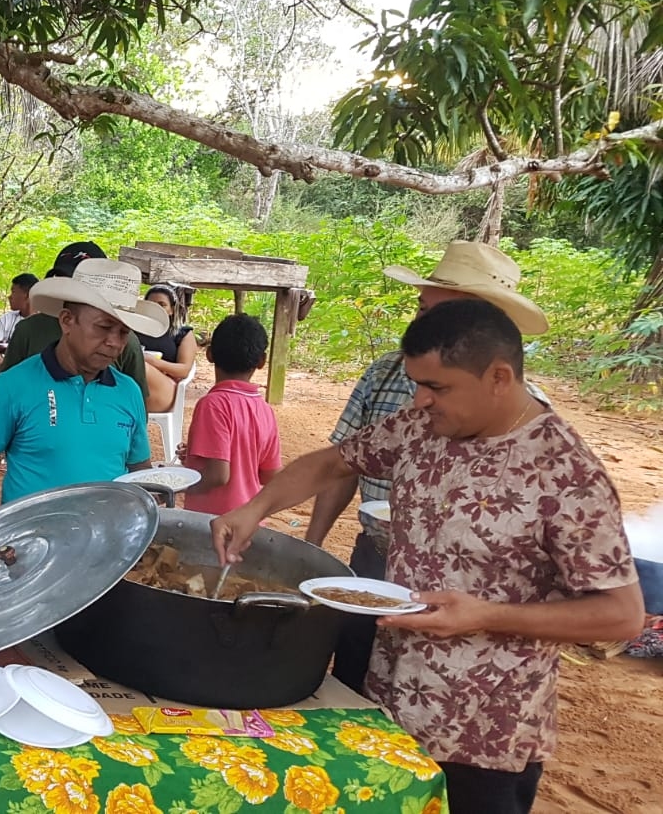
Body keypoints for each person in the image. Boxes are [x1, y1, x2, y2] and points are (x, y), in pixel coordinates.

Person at [212, 300, 643, 814]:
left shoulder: (566, 472)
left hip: (483, 734)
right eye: (417, 383)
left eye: (437, 387)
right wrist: (255, 507)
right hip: (388, 701)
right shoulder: (420, 427)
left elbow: (621, 613)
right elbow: (333, 462)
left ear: (499, 377)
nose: (420, 400)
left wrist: (487, 615)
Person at [306, 240, 551, 692]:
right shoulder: (382, 374)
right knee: (354, 681)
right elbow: (340, 464)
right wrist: (314, 548)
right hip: (375, 560)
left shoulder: (528, 424)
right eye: (422, 311)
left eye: (440, 315)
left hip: (467, 593)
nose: (421, 324)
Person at [0, 259, 163, 517]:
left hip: (111, 547)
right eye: (104, 327)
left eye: (123, 332)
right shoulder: (15, 385)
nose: (114, 342)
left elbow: (138, 469)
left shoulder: (128, 391)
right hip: (33, 548)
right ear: (67, 321)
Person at [0, 242, 157, 407]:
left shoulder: (126, 342)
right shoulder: (29, 330)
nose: (113, 341)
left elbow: (137, 406)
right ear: (66, 320)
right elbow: (5, 394)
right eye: (63, 278)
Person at [180, 314, 279, 515]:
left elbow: (218, 476)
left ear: (209, 355)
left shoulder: (213, 404)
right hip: (248, 521)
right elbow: (270, 474)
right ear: (262, 361)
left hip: (213, 523)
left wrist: (181, 486)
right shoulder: (265, 409)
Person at [139, 283, 198, 384]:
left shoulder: (182, 333)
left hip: (166, 385)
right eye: (151, 304)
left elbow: (184, 370)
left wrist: (151, 361)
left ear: (172, 309)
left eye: (162, 305)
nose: (156, 309)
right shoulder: (134, 330)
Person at [0, 273, 38, 376]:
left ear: (27, 295)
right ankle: (9, 376)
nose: (9, 297)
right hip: (7, 364)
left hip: (33, 368)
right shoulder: (7, 318)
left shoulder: (43, 320)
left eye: (14, 292)